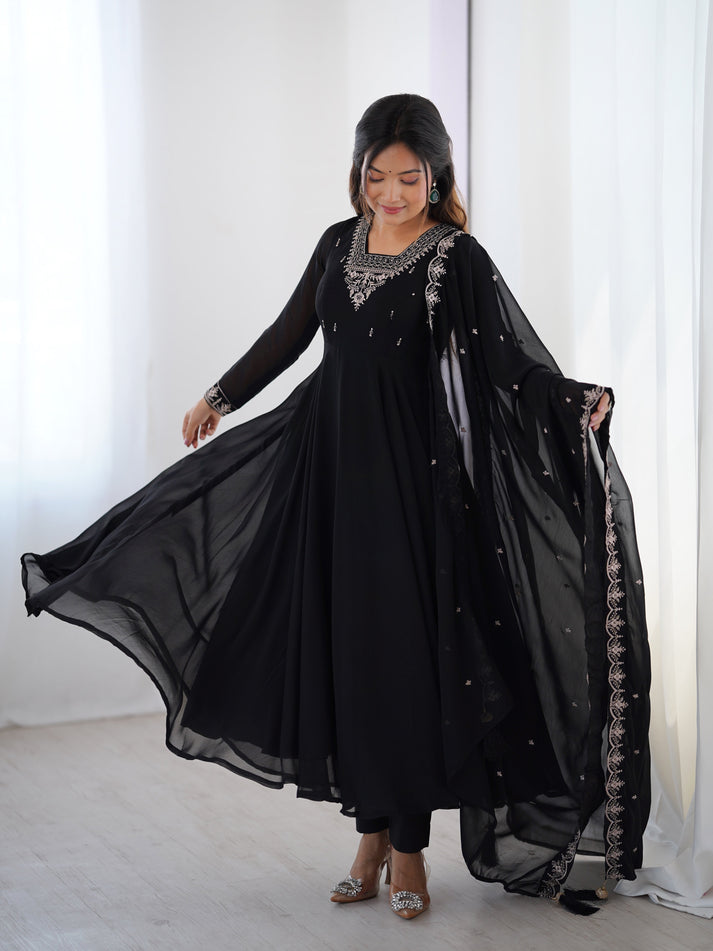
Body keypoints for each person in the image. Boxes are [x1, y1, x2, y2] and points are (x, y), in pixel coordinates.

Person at [21, 94, 651, 920]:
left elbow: (508, 363)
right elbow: (289, 333)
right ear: (357, 174)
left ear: (436, 177)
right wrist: (220, 395)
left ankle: (408, 848)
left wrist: (572, 401)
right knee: (350, 659)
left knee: (405, 667)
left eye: (408, 179)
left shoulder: (453, 257)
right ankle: (369, 838)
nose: (390, 194)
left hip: (411, 489)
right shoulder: (335, 243)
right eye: (375, 177)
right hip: (326, 476)